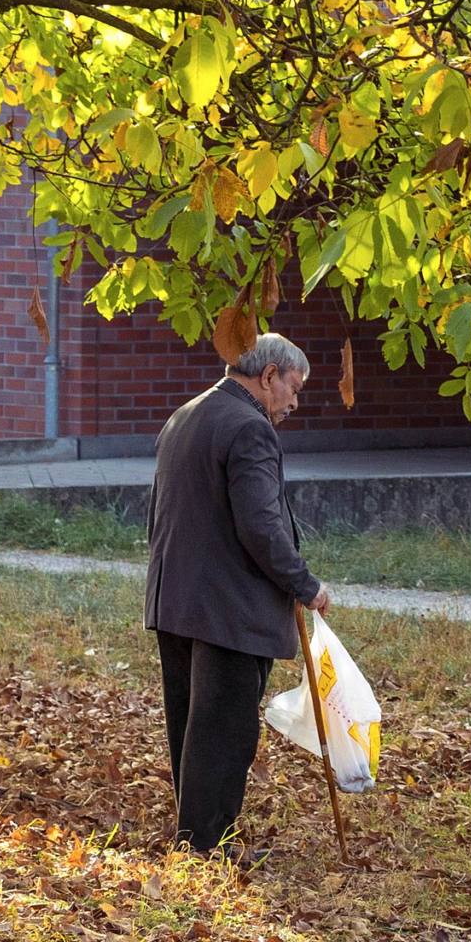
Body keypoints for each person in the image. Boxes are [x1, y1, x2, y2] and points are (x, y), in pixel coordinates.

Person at [144, 333, 332, 859]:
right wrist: (304, 583)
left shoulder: (186, 414)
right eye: (293, 387)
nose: (295, 402)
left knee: (189, 725)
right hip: (228, 607)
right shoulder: (250, 428)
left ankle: (195, 838)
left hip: (176, 599)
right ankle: (206, 846)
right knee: (223, 731)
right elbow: (261, 525)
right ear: (269, 375)